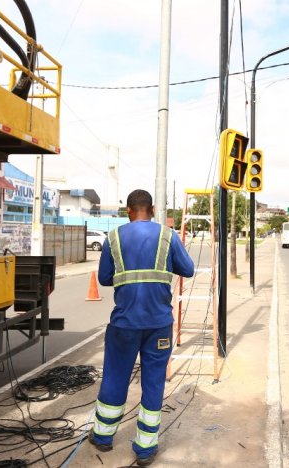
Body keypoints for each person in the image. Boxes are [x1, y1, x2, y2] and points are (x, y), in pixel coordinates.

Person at [90, 189, 194, 466]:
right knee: (153, 381)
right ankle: (145, 448)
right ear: (152, 209)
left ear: (128, 210)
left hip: (124, 323)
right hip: (159, 324)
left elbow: (104, 278)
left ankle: (103, 436)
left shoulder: (113, 237)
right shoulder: (168, 236)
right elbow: (189, 269)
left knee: (115, 377)